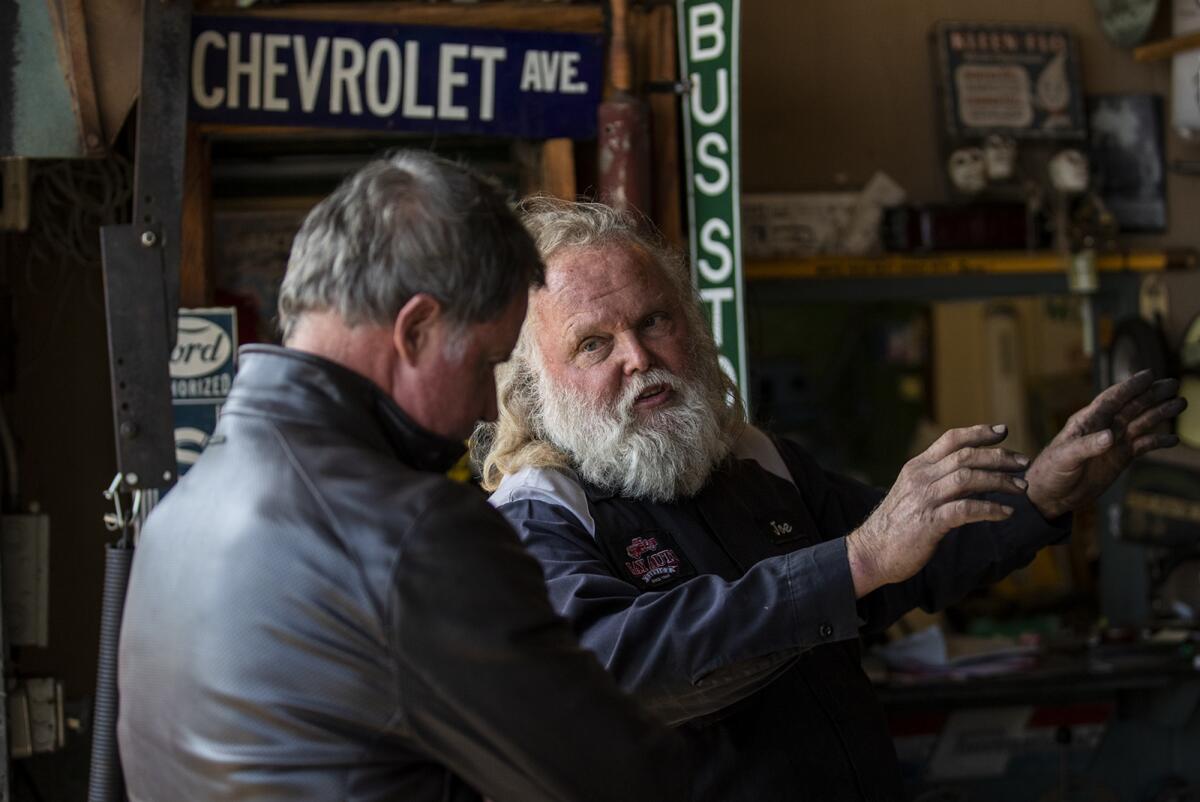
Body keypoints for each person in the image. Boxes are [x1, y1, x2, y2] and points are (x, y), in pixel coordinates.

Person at [473, 198, 1186, 801]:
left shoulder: (752, 460)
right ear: (534, 390)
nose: (638, 356)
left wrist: (1041, 495)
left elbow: (912, 547)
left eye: (655, 320)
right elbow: (606, 670)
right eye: (594, 344)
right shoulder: (539, 514)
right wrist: (854, 563)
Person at [116, 154, 692, 802]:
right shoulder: (411, 532)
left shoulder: (177, 513)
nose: (484, 410)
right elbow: (623, 780)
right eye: (487, 364)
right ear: (416, 328)